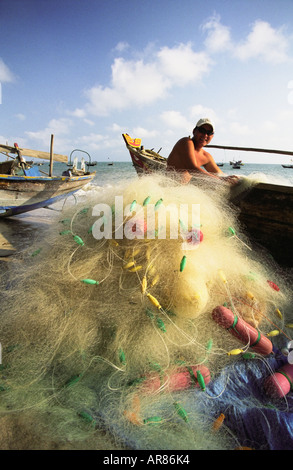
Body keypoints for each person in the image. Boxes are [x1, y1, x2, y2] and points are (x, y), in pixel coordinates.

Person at [167, 118, 239, 185]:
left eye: (209, 133)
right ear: (194, 131)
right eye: (202, 131)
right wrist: (220, 179)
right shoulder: (186, 142)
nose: (205, 135)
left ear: (212, 136)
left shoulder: (206, 156)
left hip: (181, 189)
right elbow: (192, 168)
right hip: (167, 185)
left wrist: (236, 179)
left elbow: (220, 174)